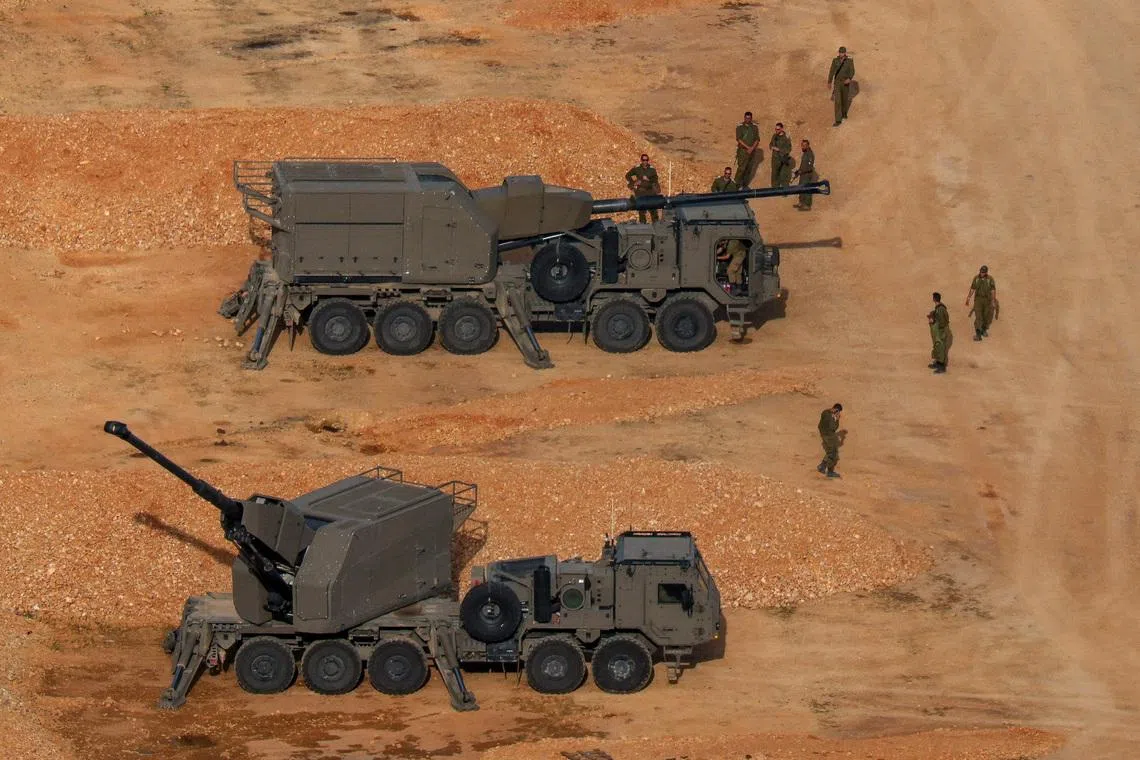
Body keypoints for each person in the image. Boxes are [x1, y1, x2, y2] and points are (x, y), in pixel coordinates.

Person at [624, 153, 661, 223]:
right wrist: (634, 182)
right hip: (640, 192)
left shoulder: (652, 169)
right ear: (641, 160)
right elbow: (627, 175)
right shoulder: (637, 168)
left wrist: (649, 179)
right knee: (642, 211)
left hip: (650, 192)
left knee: (653, 211)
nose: (645, 161)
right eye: (643, 160)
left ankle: (657, 226)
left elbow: (655, 179)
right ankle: (643, 226)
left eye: (646, 160)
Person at [965, 265, 998, 341]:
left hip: (987, 300)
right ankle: (978, 334)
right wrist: (968, 297)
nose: (981, 273)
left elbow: (993, 290)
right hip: (978, 300)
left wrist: (993, 301)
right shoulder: (976, 278)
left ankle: (983, 330)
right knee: (978, 316)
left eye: (983, 272)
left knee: (985, 315)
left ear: (986, 272)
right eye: (981, 271)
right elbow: (973, 288)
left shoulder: (990, 279)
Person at [827, 46, 856, 126]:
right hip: (837, 83)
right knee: (838, 101)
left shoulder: (849, 61)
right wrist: (829, 82)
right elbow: (831, 71)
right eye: (840, 52)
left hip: (845, 83)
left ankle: (844, 113)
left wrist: (849, 79)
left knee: (844, 99)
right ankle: (838, 120)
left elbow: (852, 71)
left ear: (845, 53)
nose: (841, 54)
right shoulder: (835, 61)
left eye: (842, 52)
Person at [734, 112, 763, 189]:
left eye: (749, 118)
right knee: (741, 168)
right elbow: (739, 139)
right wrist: (748, 148)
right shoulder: (740, 127)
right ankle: (736, 185)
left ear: (751, 118)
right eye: (746, 118)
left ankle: (745, 185)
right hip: (743, 151)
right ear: (744, 118)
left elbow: (757, 139)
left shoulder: (754, 127)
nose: (747, 119)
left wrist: (752, 148)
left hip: (752, 151)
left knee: (749, 169)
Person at [928, 292, 953, 373]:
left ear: (934, 299)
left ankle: (942, 366)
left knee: (941, 347)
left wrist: (933, 320)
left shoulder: (940, 309)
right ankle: (938, 363)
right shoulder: (939, 308)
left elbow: (942, 322)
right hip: (939, 331)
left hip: (941, 331)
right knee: (938, 346)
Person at [817, 403, 843, 478]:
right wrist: (836, 420)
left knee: (830, 451)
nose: (838, 413)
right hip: (828, 436)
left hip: (826, 434)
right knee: (833, 453)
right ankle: (830, 472)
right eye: (838, 411)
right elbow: (833, 428)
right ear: (836, 409)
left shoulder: (825, 412)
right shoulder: (830, 415)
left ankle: (822, 466)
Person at [792, 140, 817, 210]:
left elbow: (809, 167)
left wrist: (801, 171)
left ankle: (807, 205)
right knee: (801, 188)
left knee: (806, 189)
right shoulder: (805, 153)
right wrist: (798, 171)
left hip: (807, 175)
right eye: (802, 145)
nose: (802, 147)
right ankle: (801, 202)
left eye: (804, 145)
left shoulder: (810, 154)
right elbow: (803, 165)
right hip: (803, 174)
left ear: (808, 146)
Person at [768, 123, 793, 188]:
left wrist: (779, 149)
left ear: (782, 129)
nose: (776, 130)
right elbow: (770, 144)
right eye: (775, 129)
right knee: (774, 174)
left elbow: (789, 149)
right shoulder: (774, 136)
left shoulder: (786, 137)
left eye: (778, 129)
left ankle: (784, 190)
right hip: (775, 158)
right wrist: (771, 147)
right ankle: (775, 189)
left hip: (783, 158)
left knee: (783, 174)